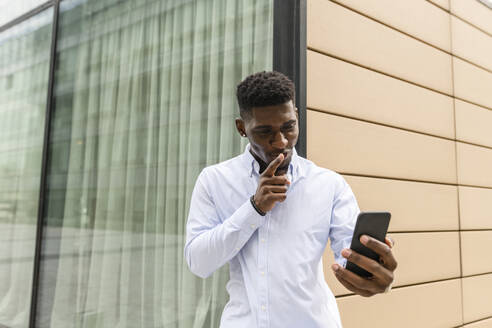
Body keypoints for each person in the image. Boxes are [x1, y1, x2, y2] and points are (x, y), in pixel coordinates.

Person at [184, 71, 397, 328]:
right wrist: (254, 209)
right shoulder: (214, 180)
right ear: (242, 128)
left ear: (296, 114)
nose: (281, 142)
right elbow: (199, 262)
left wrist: (372, 274)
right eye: (265, 132)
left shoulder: (329, 185)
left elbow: (348, 258)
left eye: (289, 127)